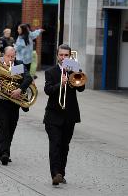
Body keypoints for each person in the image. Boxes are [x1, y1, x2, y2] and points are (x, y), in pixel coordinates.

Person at [44, 44, 85, 186]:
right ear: (57, 56)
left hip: (70, 115)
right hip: (53, 115)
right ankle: (55, 174)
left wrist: (75, 74)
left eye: (66, 55)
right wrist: (60, 85)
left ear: (70, 56)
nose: (63, 58)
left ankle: (62, 172)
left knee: (64, 146)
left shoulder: (75, 69)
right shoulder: (51, 72)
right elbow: (48, 90)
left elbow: (81, 88)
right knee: (55, 144)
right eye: (61, 55)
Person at [0, 46, 33, 165]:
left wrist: (20, 90)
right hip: (0, 102)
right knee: (4, 126)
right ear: (3, 56)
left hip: (14, 103)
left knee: (11, 128)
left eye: (13, 56)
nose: (11, 59)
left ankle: (6, 151)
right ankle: (4, 153)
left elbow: (28, 78)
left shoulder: (18, 65)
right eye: (8, 56)